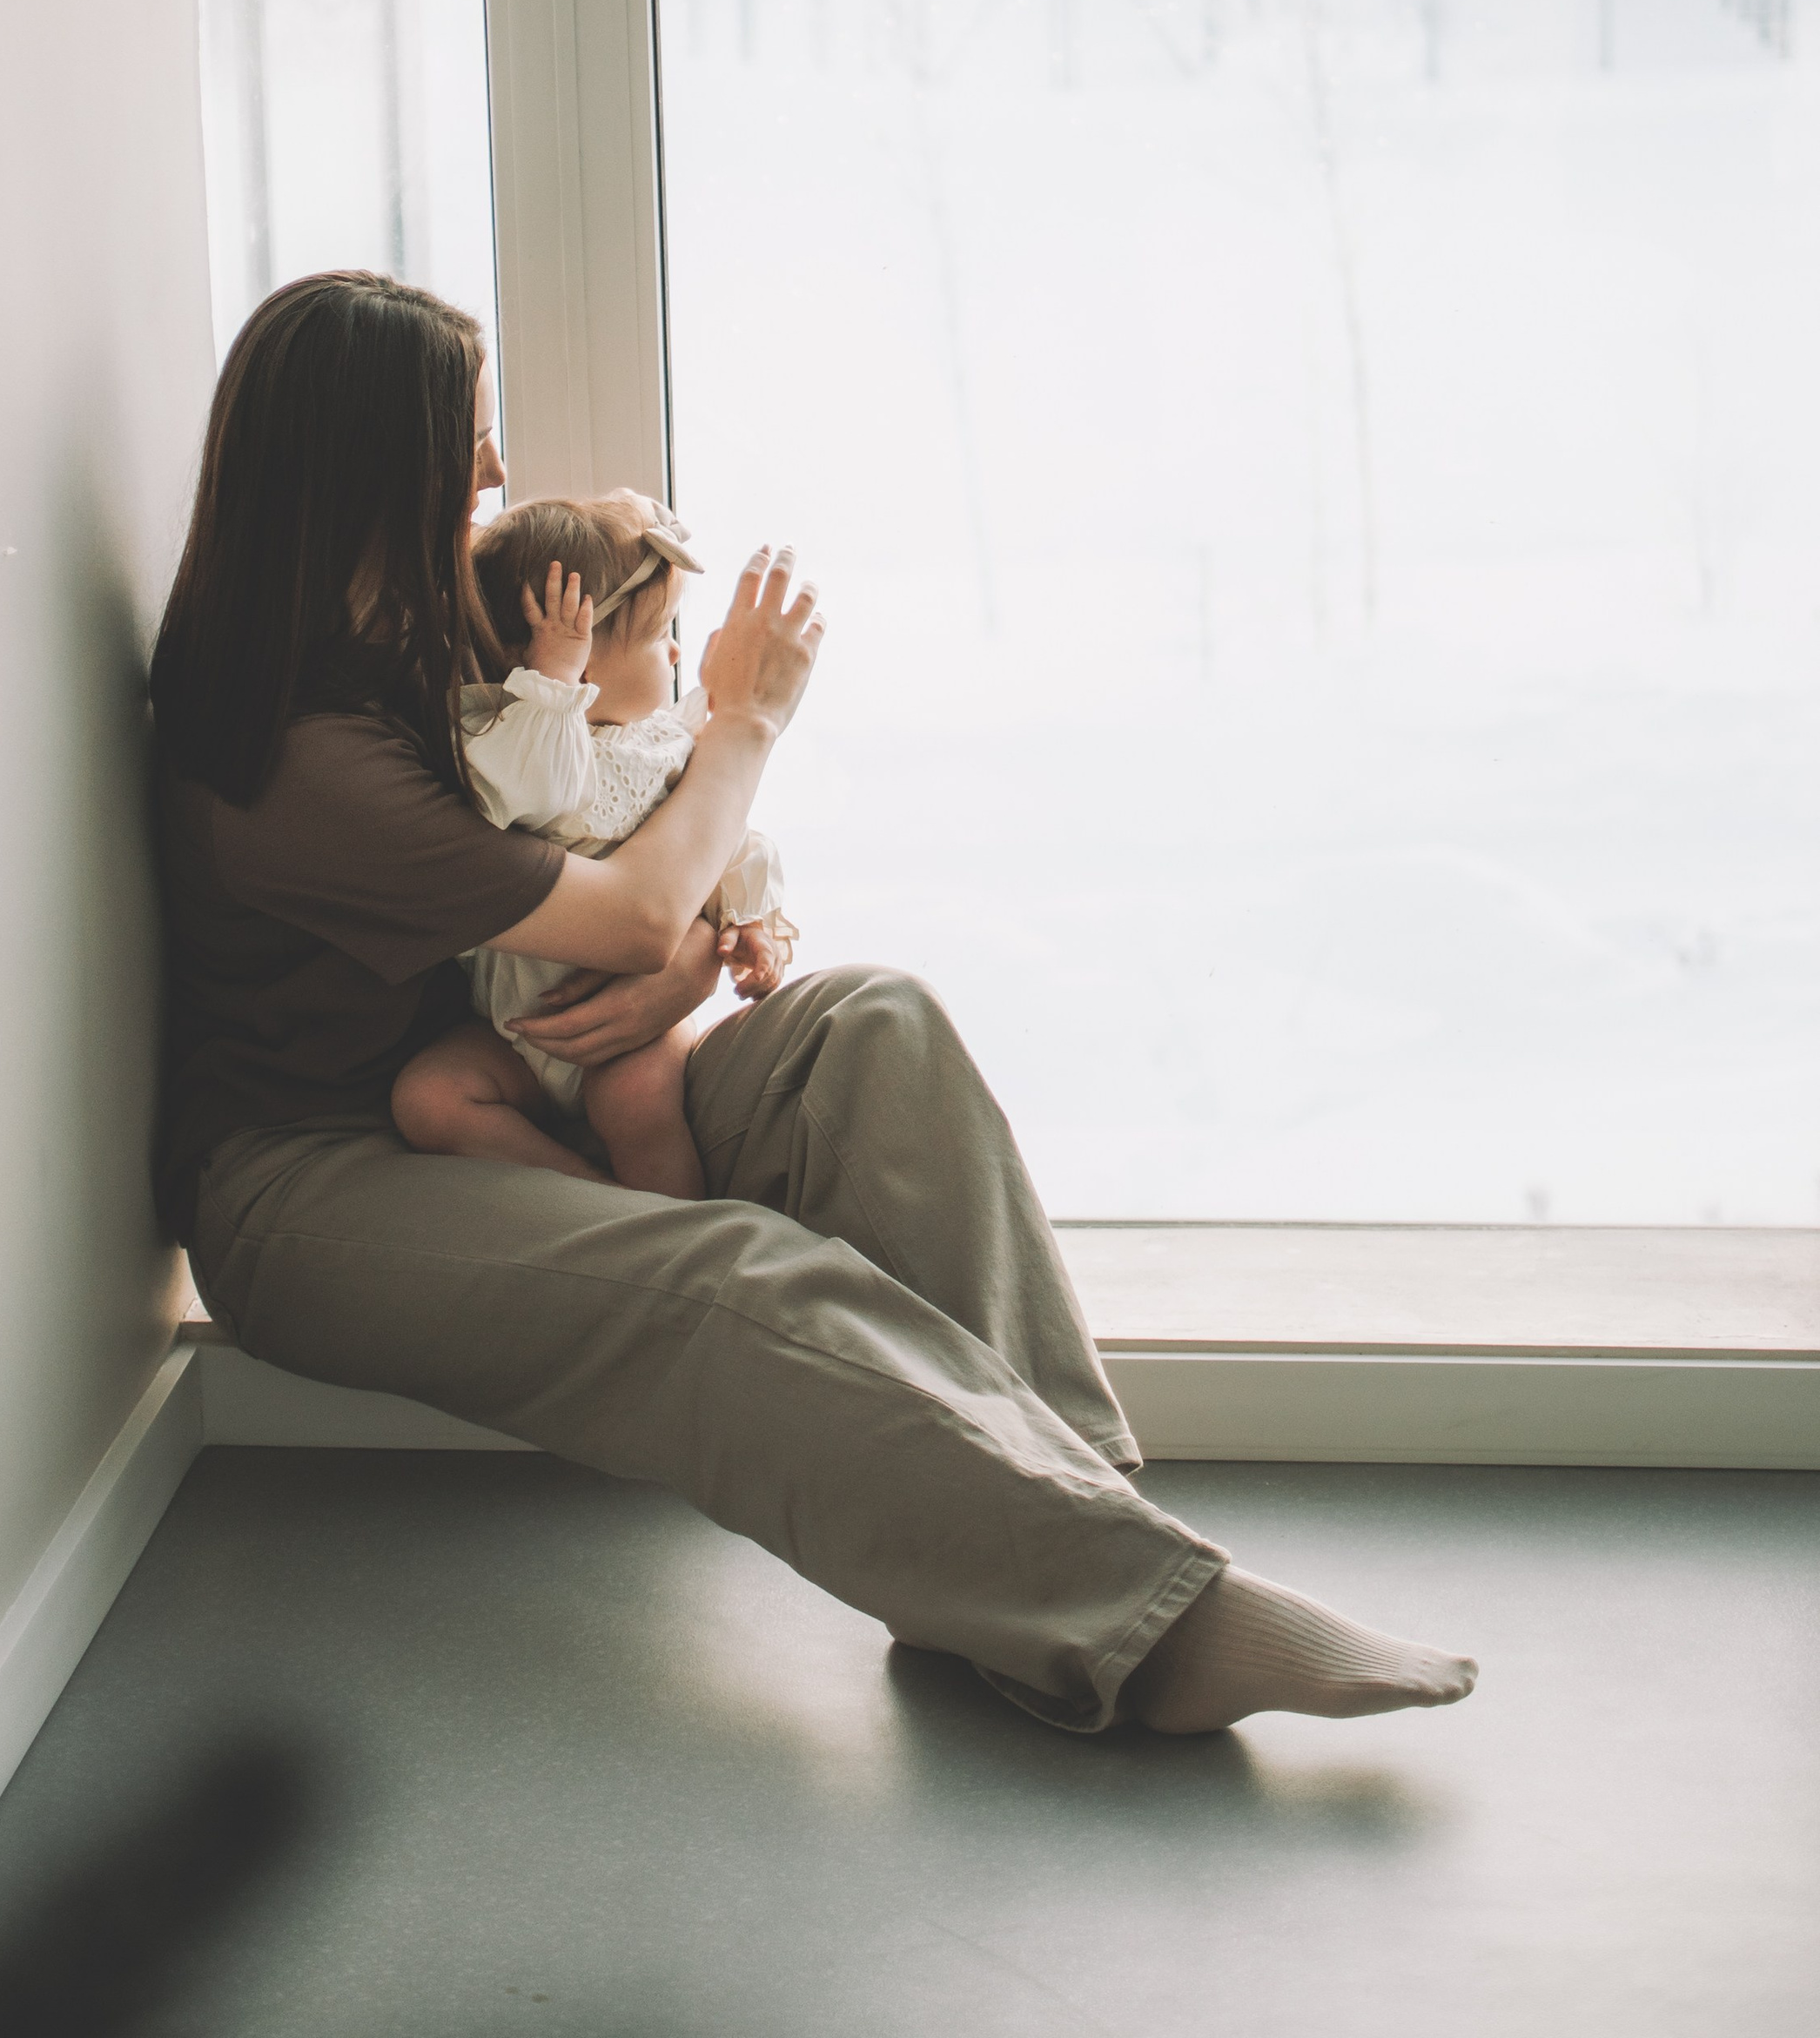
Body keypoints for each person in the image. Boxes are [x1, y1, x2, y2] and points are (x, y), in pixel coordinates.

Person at [149, 269, 1478, 1738]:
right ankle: (1143, 1629)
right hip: (313, 1182)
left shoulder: (426, 641)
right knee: (722, 1281)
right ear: (369, 469)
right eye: (468, 436)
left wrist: (692, 958)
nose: (498, 469)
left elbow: (628, 865)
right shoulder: (301, 761)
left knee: (873, 1027)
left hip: (512, 1058)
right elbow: (635, 899)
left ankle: (1080, 1533)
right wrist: (749, 723)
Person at [389, 495, 796, 1201]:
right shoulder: (518, 747)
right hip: (518, 1036)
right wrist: (553, 686)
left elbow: (722, 837)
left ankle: (679, 1229)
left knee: (634, 1101)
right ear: (575, 653)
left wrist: (749, 923)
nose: (675, 653)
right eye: (657, 635)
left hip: (633, 1039)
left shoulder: (669, 744)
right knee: (427, 1097)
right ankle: (590, 1190)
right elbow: (530, 784)